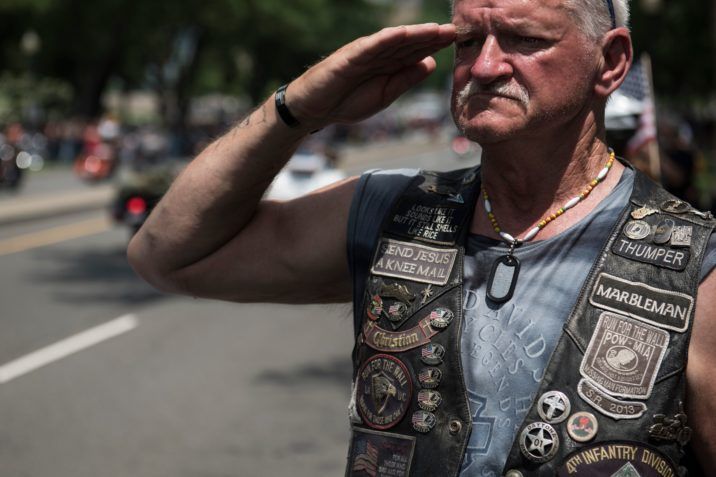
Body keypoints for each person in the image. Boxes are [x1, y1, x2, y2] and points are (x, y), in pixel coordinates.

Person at [127, 0, 716, 474]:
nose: (484, 66)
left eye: (523, 39)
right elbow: (169, 255)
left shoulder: (693, 263)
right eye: (466, 40)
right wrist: (297, 110)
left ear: (609, 62)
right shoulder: (391, 210)